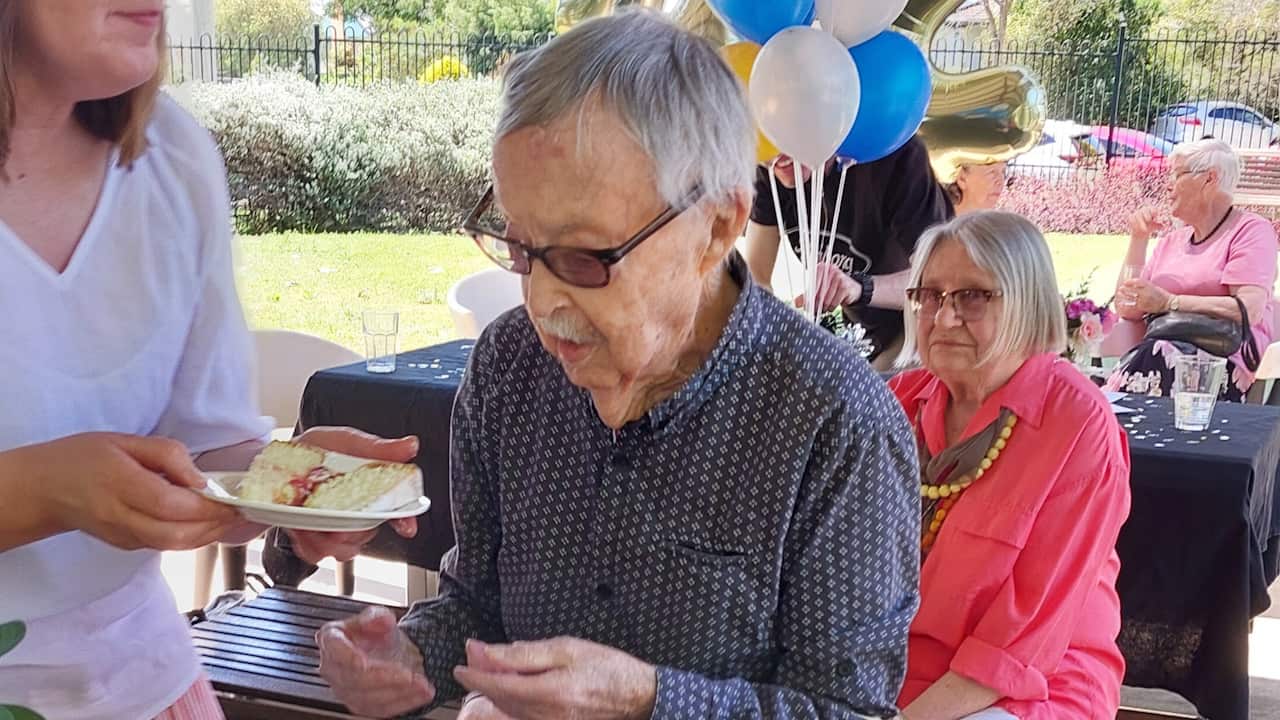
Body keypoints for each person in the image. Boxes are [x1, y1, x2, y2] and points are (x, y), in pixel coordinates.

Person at [311, 11, 920, 720]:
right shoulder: (509, 366)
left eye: (584, 257)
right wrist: (411, 654)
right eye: (520, 249)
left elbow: (847, 711)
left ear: (717, 226)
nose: (541, 302)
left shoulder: (836, 423)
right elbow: (481, 605)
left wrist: (650, 701)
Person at [0, 3, 415, 717]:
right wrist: (45, 492)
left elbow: (206, 454)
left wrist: (288, 483)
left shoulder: (173, 155)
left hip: (146, 678)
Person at [889, 211, 1131, 720]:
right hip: (891, 667)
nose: (944, 318)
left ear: (1026, 303)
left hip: (1027, 685)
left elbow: (1024, 643)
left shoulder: (1076, 423)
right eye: (930, 296)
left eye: (972, 296)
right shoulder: (898, 402)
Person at [741, 138, 954, 370]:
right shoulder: (771, 167)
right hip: (861, 334)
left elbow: (942, 283)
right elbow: (755, 280)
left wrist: (859, 288)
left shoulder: (894, 153)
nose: (778, 153)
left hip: (918, 329)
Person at [1106, 139, 1278, 400]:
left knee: (1157, 356)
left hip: (1221, 364)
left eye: (1177, 175)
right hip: (1159, 358)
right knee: (1152, 356)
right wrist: (1138, 239)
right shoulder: (1172, 241)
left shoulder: (1250, 231)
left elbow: (1249, 310)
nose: (1168, 185)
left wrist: (1170, 302)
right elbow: (1127, 307)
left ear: (1210, 179)